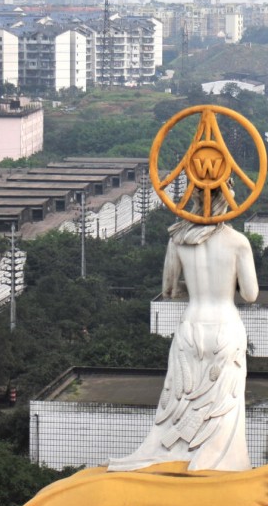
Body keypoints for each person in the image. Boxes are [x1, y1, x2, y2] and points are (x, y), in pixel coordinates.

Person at [108, 187, 259, 472]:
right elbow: (251, 294)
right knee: (221, 404)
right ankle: (218, 463)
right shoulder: (238, 242)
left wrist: (195, 286)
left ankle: (179, 454)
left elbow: (169, 290)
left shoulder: (178, 239)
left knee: (181, 398)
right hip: (226, 327)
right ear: (227, 198)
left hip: (190, 327)